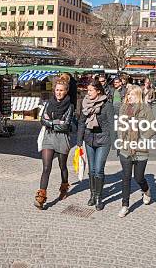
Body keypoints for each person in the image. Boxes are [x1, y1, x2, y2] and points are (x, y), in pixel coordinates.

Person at [34, 79, 75, 209]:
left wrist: (51, 122)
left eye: (61, 90)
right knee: (46, 167)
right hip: (48, 137)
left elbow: (66, 125)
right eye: (57, 90)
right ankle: (41, 196)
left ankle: (64, 187)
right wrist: (56, 123)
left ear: (66, 91)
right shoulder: (49, 103)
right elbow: (42, 120)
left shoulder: (70, 105)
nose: (58, 92)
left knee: (62, 166)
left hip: (63, 138)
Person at [117, 85, 154, 218]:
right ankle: (125, 205)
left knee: (138, 177)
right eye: (128, 94)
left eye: (132, 94)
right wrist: (120, 140)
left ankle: (146, 190)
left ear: (138, 95)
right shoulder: (123, 108)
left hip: (141, 149)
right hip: (126, 149)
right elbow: (120, 127)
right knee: (125, 177)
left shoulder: (146, 109)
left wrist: (142, 137)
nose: (129, 97)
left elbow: (152, 127)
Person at [78, 80, 114, 211]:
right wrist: (78, 141)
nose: (88, 93)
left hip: (103, 140)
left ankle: (99, 197)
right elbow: (81, 122)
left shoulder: (107, 105)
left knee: (99, 169)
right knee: (91, 170)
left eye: (91, 90)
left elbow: (111, 124)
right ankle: (92, 194)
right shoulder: (85, 103)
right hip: (89, 139)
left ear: (98, 91)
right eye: (87, 90)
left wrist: (115, 142)